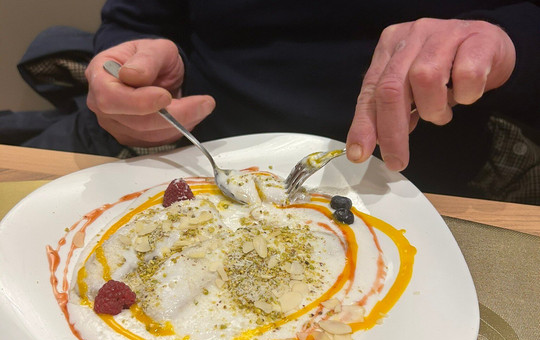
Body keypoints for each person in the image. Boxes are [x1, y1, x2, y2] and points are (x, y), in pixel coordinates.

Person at [84, 1, 540, 202]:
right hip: (200, 152)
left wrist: (506, 42)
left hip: (433, 177)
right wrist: (131, 70)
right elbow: (137, 18)